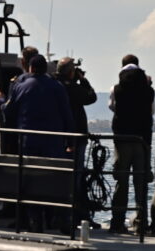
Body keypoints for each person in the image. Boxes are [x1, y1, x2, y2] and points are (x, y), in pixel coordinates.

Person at [2, 54, 76, 231]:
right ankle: (62, 219)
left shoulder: (21, 86)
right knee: (56, 179)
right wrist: (70, 140)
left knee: (30, 181)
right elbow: (67, 115)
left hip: (29, 141)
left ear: (30, 68)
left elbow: (9, 111)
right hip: (54, 142)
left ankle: (35, 221)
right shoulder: (57, 87)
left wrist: (0, 100)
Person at [108, 54, 155, 234]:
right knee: (140, 181)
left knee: (122, 181)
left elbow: (112, 107)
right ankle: (141, 222)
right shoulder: (149, 90)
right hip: (142, 139)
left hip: (122, 139)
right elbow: (151, 110)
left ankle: (117, 221)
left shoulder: (116, 89)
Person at [55, 57, 97, 226]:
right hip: (75, 138)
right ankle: (75, 215)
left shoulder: (54, 85)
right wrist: (83, 80)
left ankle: (60, 214)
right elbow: (91, 97)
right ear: (71, 72)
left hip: (58, 138)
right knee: (76, 177)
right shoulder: (72, 88)